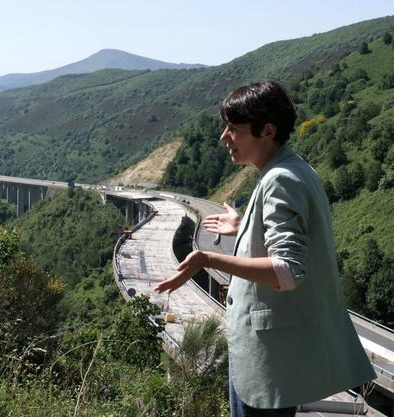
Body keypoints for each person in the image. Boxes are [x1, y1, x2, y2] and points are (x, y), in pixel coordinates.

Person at [156, 80, 375, 416]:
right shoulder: (294, 167)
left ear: (267, 130)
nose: (223, 137)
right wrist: (244, 226)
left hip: (268, 364)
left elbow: (287, 271)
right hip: (275, 361)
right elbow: (283, 238)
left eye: (233, 129)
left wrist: (208, 258)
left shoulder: (279, 179)